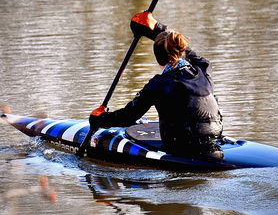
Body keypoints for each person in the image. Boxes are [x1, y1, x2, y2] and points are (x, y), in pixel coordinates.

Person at [89, 11, 224, 160]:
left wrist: (100, 119)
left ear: (158, 60)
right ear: (181, 51)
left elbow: (128, 117)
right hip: (214, 142)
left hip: (180, 148)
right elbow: (198, 58)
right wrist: (157, 29)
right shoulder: (203, 71)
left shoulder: (159, 84)